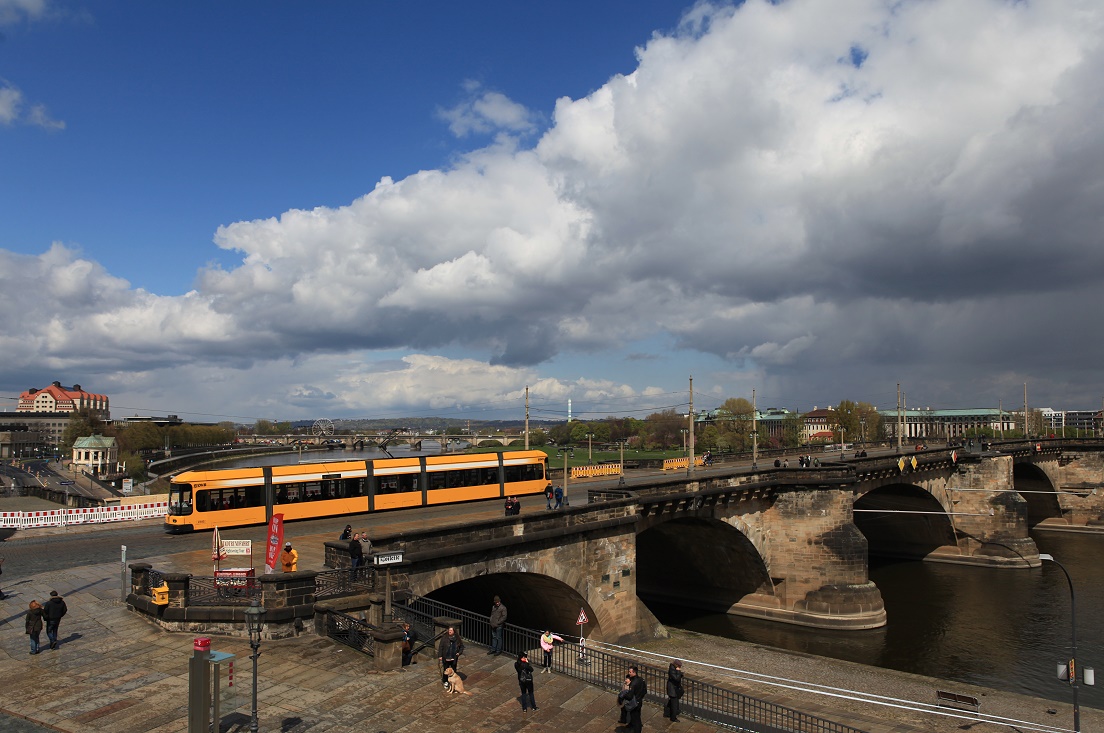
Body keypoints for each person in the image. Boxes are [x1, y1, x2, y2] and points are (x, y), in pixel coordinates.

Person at [626, 664, 646, 733]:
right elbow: (644, 691)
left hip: (634, 702)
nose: (629, 673)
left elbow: (630, 695)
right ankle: (632, 725)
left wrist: (624, 696)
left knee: (636, 718)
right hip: (639, 701)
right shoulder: (641, 680)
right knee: (637, 715)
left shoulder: (633, 683)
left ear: (634, 672)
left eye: (630, 672)